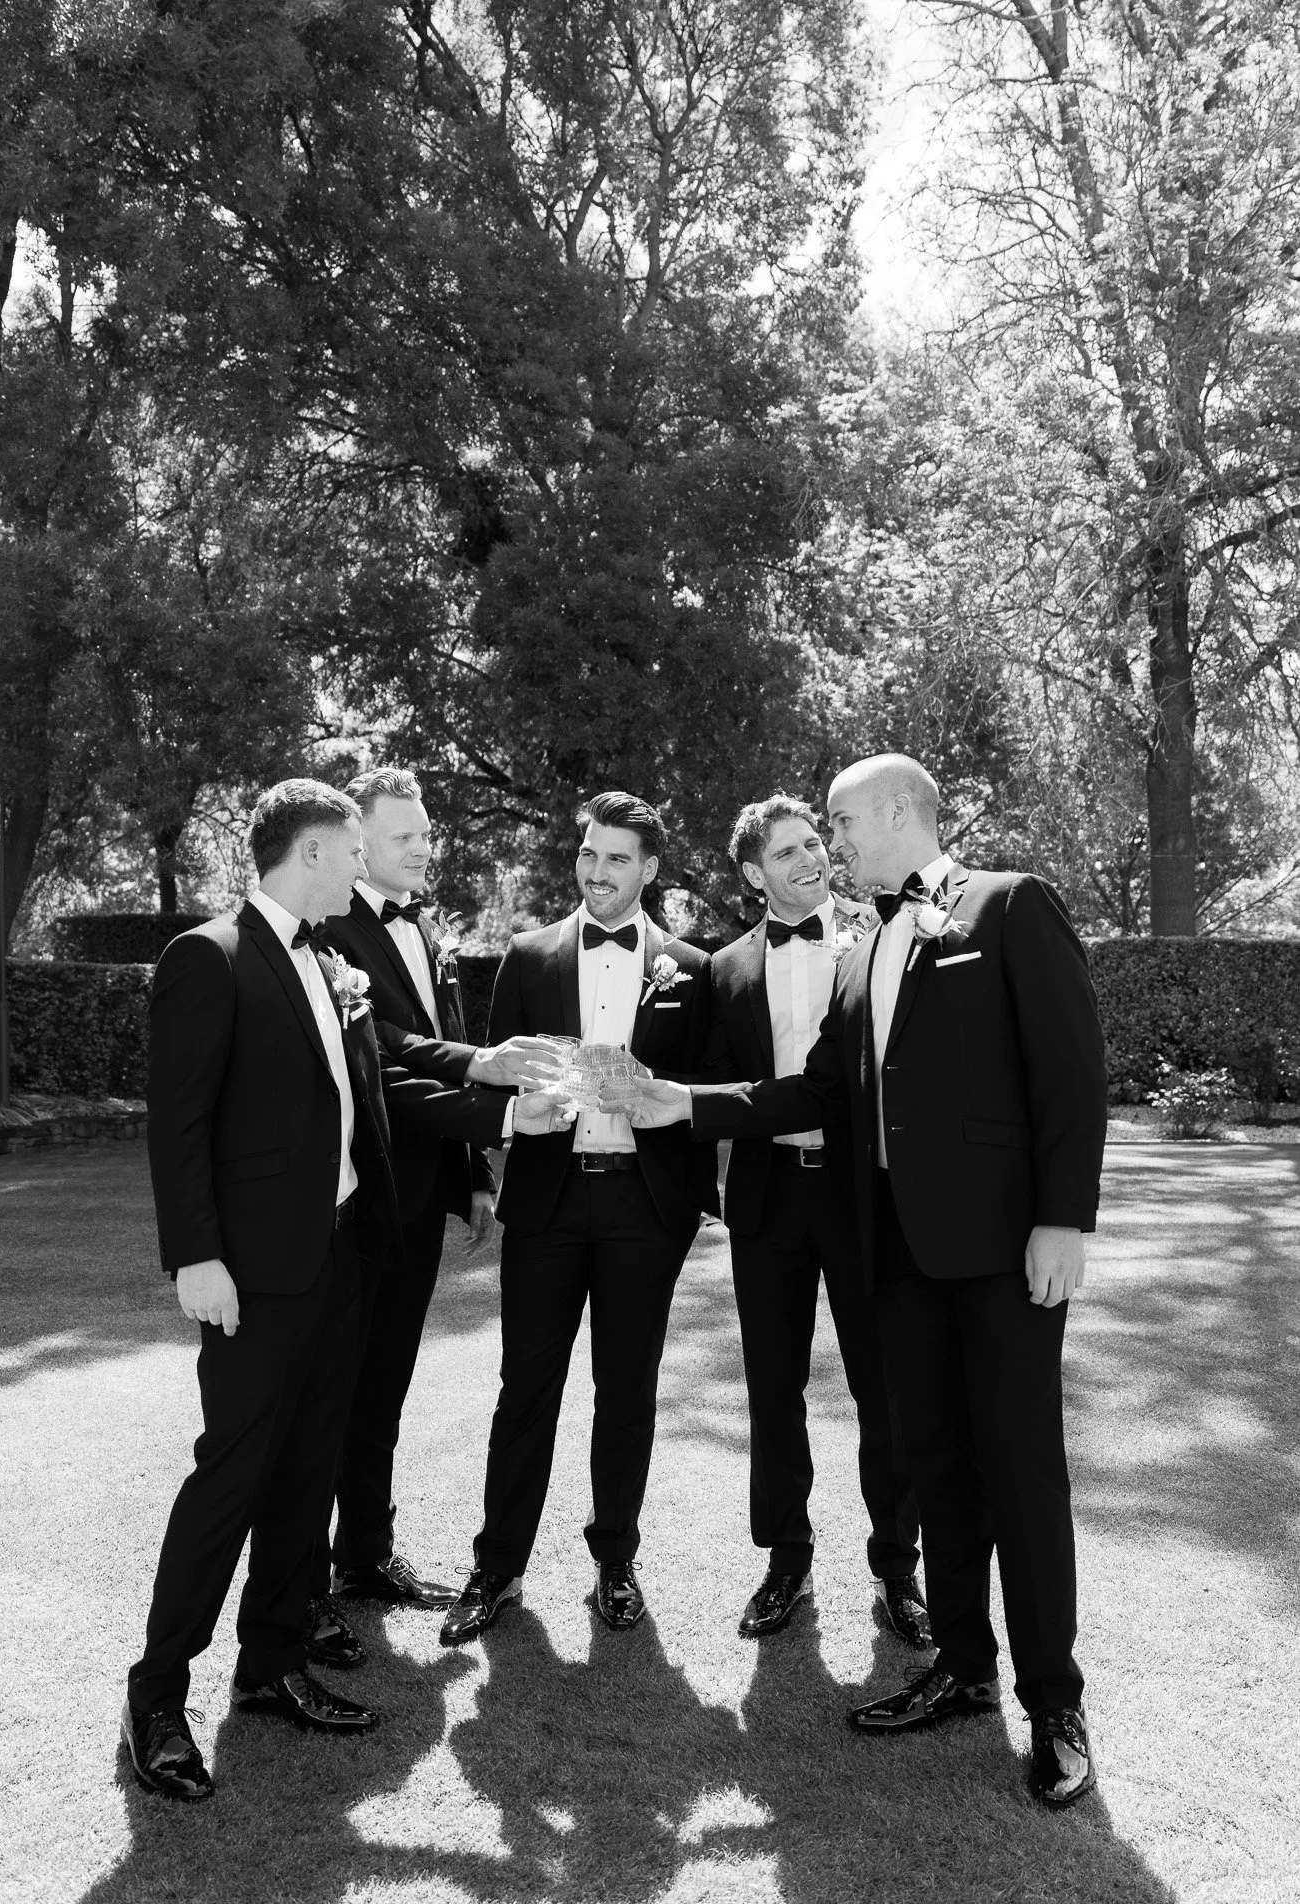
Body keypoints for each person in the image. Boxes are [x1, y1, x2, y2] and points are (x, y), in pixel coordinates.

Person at [604, 755, 1108, 1811]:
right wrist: (681, 1105)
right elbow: (818, 1087)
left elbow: (1072, 1071)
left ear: (897, 813)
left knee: (1021, 1469)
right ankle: (965, 1667)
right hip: (896, 1260)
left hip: (1005, 1254)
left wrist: (1062, 1217)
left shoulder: (1008, 905)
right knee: (939, 1462)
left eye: (841, 820)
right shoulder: (867, 947)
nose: (832, 842)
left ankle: (1054, 1701)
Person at [124, 777, 568, 1802]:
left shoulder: (330, 960)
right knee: (232, 1474)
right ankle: (156, 1693)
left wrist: (496, 1102)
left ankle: (273, 1660)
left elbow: (391, 1076)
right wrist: (197, 1256)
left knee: (306, 1467)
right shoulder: (211, 956)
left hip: (342, 1261)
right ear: (315, 850)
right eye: (355, 846)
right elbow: (178, 1122)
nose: (367, 862)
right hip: (254, 1273)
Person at [439, 790, 720, 1645]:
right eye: (588, 855)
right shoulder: (526, 957)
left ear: (649, 869)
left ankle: (615, 1563)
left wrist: (656, 1097)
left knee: (625, 1393)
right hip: (548, 1205)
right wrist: (492, 1161)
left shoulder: (692, 969)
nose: (597, 873)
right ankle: (497, 1569)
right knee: (524, 1390)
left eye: (616, 860)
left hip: (644, 1206)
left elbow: (708, 1090)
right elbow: (488, 1077)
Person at [314, 764, 563, 1626]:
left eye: (426, 833)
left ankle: (366, 1556)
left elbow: (445, 1038)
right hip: (362, 1194)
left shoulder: (424, 929)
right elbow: (381, 1058)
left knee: (383, 1383)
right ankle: (312, 1577)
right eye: (405, 836)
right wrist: (496, 1109)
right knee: (337, 1388)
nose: (425, 848)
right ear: (356, 846)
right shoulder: (326, 930)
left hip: (425, 1194)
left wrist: (478, 1177)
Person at [703, 795, 925, 1644]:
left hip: (863, 1195)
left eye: (813, 845)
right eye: (787, 852)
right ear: (754, 873)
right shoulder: (721, 969)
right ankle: (784, 1559)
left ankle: (896, 1568)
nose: (811, 859)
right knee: (772, 1390)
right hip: (766, 1201)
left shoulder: (880, 941)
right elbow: (718, 1090)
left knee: (885, 1389)